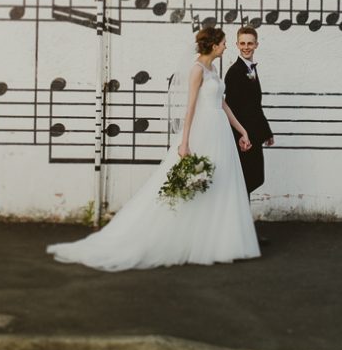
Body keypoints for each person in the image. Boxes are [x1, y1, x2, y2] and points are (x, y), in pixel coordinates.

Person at [47, 27, 260, 271]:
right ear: (213, 45)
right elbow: (189, 108)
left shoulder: (213, 69)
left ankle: (217, 242)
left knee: (219, 184)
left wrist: (242, 130)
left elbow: (222, 103)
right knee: (192, 185)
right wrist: (185, 142)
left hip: (221, 131)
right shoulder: (197, 70)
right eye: (223, 43)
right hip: (204, 131)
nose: (226, 46)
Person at [224, 25, 274, 203]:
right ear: (237, 44)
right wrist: (241, 136)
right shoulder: (235, 72)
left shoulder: (250, 69)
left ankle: (241, 222)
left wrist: (266, 132)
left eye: (250, 43)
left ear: (256, 45)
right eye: (243, 43)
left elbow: (254, 105)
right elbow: (231, 108)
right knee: (245, 180)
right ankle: (239, 223)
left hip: (254, 133)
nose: (246, 47)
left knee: (252, 179)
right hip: (244, 137)